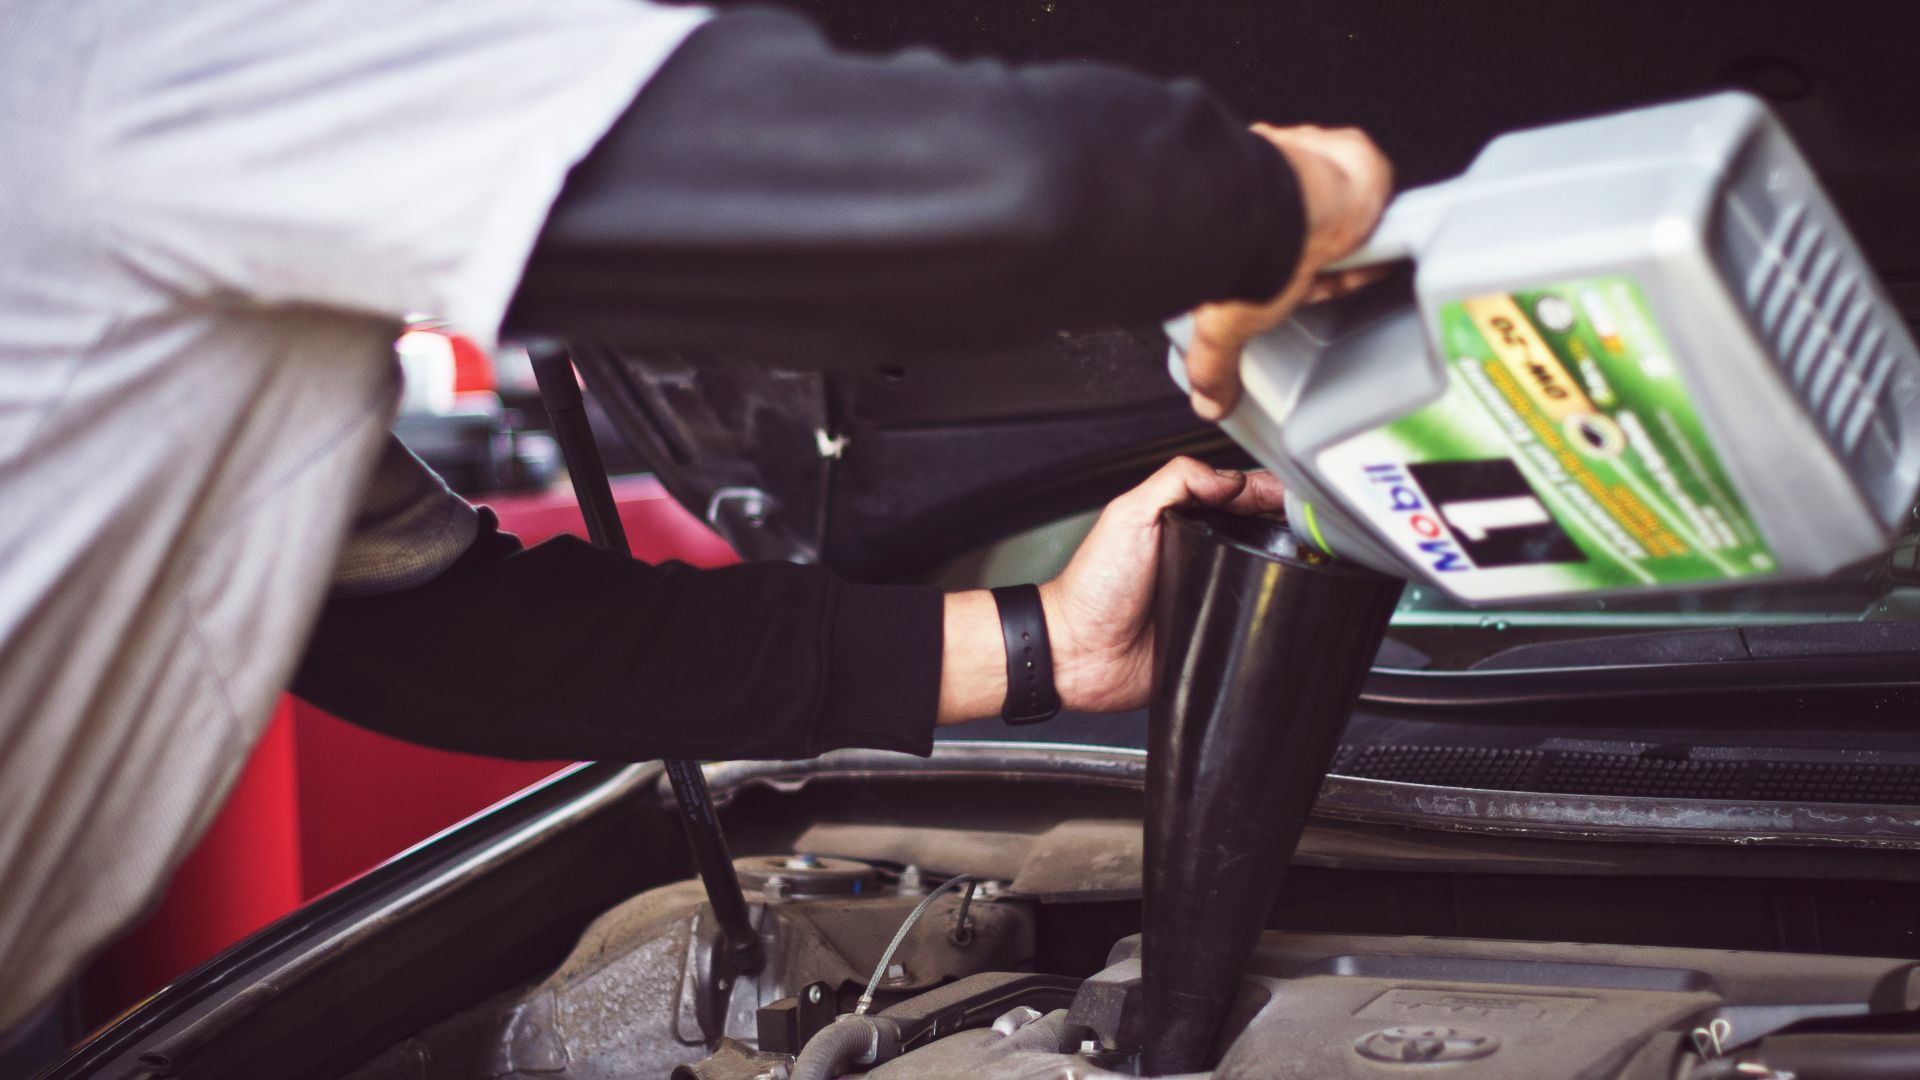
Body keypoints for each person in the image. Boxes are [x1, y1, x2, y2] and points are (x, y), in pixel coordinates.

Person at [0, 0, 1390, 1037]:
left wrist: (1043, 650)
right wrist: (1294, 199)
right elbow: (962, 185)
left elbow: (432, 633)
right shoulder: (144, 52)